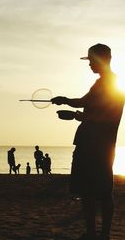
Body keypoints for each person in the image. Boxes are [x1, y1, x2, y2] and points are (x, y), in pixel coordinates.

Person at [51, 44, 124, 240]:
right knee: (95, 192)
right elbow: (95, 111)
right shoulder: (108, 83)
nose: (89, 64)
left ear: (103, 59)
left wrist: (69, 105)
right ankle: (97, 234)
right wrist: (72, 111)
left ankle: (100, 234)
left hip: (96, 146)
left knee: (95, 192)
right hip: (98, 145)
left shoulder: (108, 84)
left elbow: (92, 109)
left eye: (91, 60)